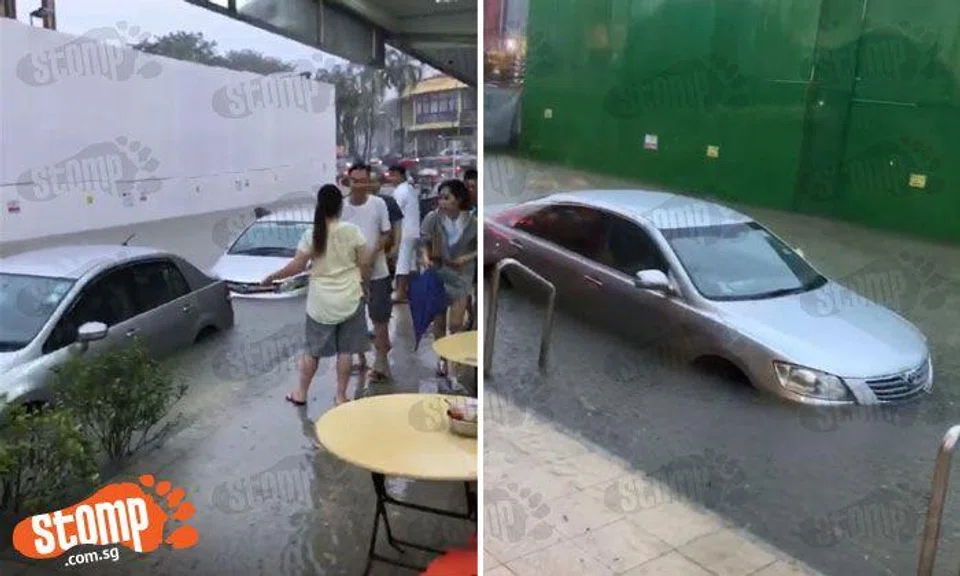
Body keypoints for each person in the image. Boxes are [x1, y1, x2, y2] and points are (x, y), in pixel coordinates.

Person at [260, 184, 371, 406]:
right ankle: (340, 396)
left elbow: (297, 266)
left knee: (313, 351)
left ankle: (301, 393)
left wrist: (272, 277)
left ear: (319, 206)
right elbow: (365, 262)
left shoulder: (312, 235)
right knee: (346, 351)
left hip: (321, 301)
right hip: (350, 296)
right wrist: (363, 285)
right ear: (340, 205)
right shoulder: (352, 231)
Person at [420, 179, 478, 378]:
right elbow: (423, 242)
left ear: (459, 199)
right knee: (439, 319)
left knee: (455, 323)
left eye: (447, 198)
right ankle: (442, 359)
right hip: (438, 272)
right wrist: (425, 258)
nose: (442, 202)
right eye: (440, 198)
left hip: (462, 276)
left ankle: (455, 357)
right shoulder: (432, 218)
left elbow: (480, 248)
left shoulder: (472, 221)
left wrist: (467, 257)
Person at [341, 163, 394, 382]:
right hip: (350, 273)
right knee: (353, 317)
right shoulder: (341, 207)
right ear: (348, 182)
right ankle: (359, 357)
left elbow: (386, 233)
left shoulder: (379, 204)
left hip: (377, 271)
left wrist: (372, 255)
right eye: (356, 181)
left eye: (364, 181)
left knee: (379, 317)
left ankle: (381, 361)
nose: (360, 186)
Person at [386, 165, 420, 303]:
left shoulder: (401, 191)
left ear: (400, 175)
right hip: (413, 231)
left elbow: (394, 212)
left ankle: (400, 292)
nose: (391, 178)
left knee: (402, 263)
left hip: (405, 231)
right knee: (410, 263)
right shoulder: (409, 189)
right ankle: (411, 291)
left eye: (393, 175)